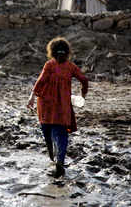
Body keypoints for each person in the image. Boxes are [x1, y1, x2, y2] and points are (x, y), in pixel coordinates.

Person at [27, 37, 88, 178]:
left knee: (47, 133)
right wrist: (83, 95)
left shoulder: (49, 65)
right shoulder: (71, 67)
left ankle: (52, 159)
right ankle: (59, 161)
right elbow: (84, 80)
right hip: (63, 107)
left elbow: (40, 82)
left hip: (46, 106)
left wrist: (31, 98)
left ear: (52, 52)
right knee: (61, 134)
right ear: (67, 52)